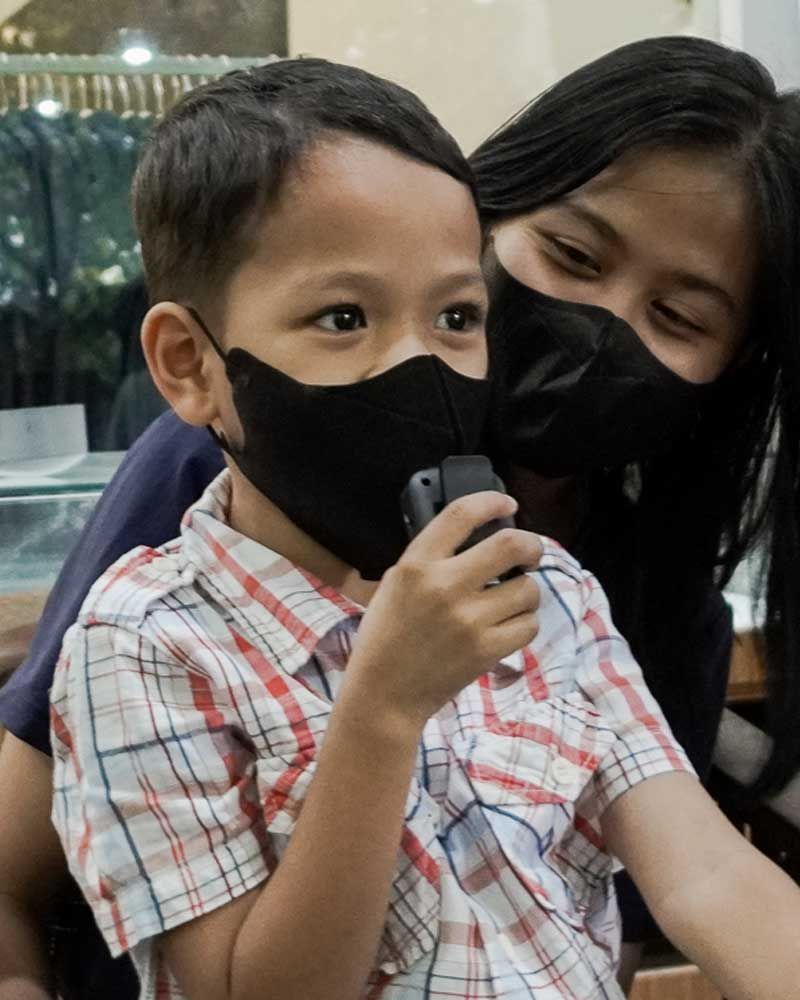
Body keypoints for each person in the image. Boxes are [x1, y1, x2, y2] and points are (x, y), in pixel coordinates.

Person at [0, 35, 798, 997]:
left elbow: (701, 880)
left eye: (454, 318)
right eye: (344, 318)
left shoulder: (563, 594)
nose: (413, 363)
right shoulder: (155, 625)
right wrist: (382, 707)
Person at [468, 34, 800, 983]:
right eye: (573, 254)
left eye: (680, 318)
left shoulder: (644, 597)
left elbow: (691, 880)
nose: (601, 328)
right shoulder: (256, 484)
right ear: (486, 206)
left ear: (727, 372)